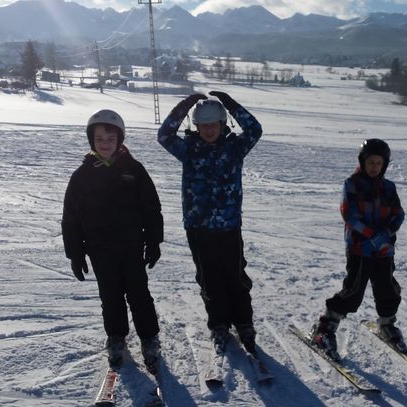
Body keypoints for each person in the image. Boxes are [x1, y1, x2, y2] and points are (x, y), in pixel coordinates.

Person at [157, 91, 262, 355]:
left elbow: (255, 129)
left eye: (213, 124)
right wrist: (184, 106)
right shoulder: (189, 149)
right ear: (196, 127)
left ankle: (244, 323)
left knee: (235, 277)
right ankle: (219, 325)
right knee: (210, 279)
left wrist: (231, 103)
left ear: (223, 124)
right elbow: (164, 136)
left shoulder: (235, 148)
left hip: (228, 226)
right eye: (203, 125)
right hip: (198, 227)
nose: (208, 130)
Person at [62, 109, 164, 371]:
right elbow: (71, 219)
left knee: (139, 293)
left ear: (119, 139)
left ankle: (149, 338)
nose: (105, 143)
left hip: (131, 246)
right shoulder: (82, 176)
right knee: (110, 295)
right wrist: (75, 253)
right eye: (99, 139)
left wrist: (153, 242)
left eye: (110, 138)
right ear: (91, 141)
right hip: (99, 249)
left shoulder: (134, 170)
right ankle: (116, 336)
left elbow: (151, 209)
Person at [310, 138, 406, 360]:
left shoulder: (389, 187)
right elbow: (349, 214)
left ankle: (387, 323)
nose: (374, 167)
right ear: (363, 162)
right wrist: (372, 235)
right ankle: (325, 328)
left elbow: (398, 213)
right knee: (353, 290)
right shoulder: (351, 184)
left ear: (384, 165)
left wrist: (388, 233)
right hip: (360, 248)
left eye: (378, 163)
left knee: (387, 288)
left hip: (384, 250)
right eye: (370, 162)